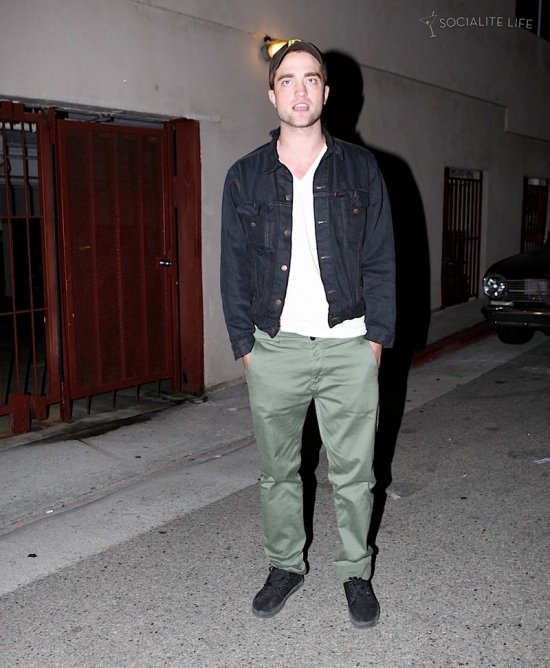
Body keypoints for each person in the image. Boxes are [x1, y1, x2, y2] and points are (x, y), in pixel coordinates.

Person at [220, 39, 395, 629]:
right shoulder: (245, 176)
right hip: (275, 348)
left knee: (355, 474)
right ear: (272, 95)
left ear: (326, 91)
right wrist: (245, 348)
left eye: (311, 79)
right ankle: (285, 565)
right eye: (287, 80)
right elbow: (233, 268)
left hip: (349, 346)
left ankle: (355, 572)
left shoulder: (360, 168)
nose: (300, 90)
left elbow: (380, 259)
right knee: (278, 472)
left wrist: (375, 341)